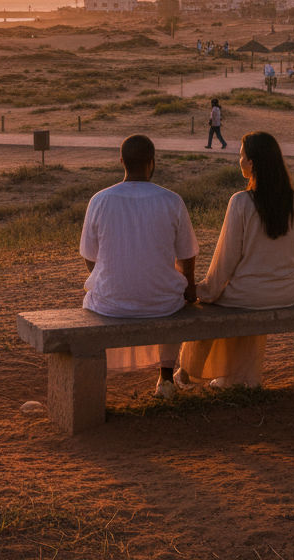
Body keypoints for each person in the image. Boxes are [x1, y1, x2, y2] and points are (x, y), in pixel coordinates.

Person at [177, 132, 294, 388]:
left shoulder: (241, 202)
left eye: (241, 156)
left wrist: (205, 290)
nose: (239, 161)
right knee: (240, 298)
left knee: (210, 304)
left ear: (252, 163)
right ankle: (240, 377)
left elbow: (226, 260)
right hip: (289, 292)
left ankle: (186, 372)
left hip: (250, 294)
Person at [79, 134, 199, 399]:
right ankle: (166, 379)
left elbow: (89, 255)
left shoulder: (99, 200)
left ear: (121, 161)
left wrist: (108, 278)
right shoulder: (172, 201)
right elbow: (187, 254)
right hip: (163, 303)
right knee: (173, 299)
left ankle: (96, 385)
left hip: (110, 304)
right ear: (152, 163)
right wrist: (189, 284)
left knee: (92, 298)